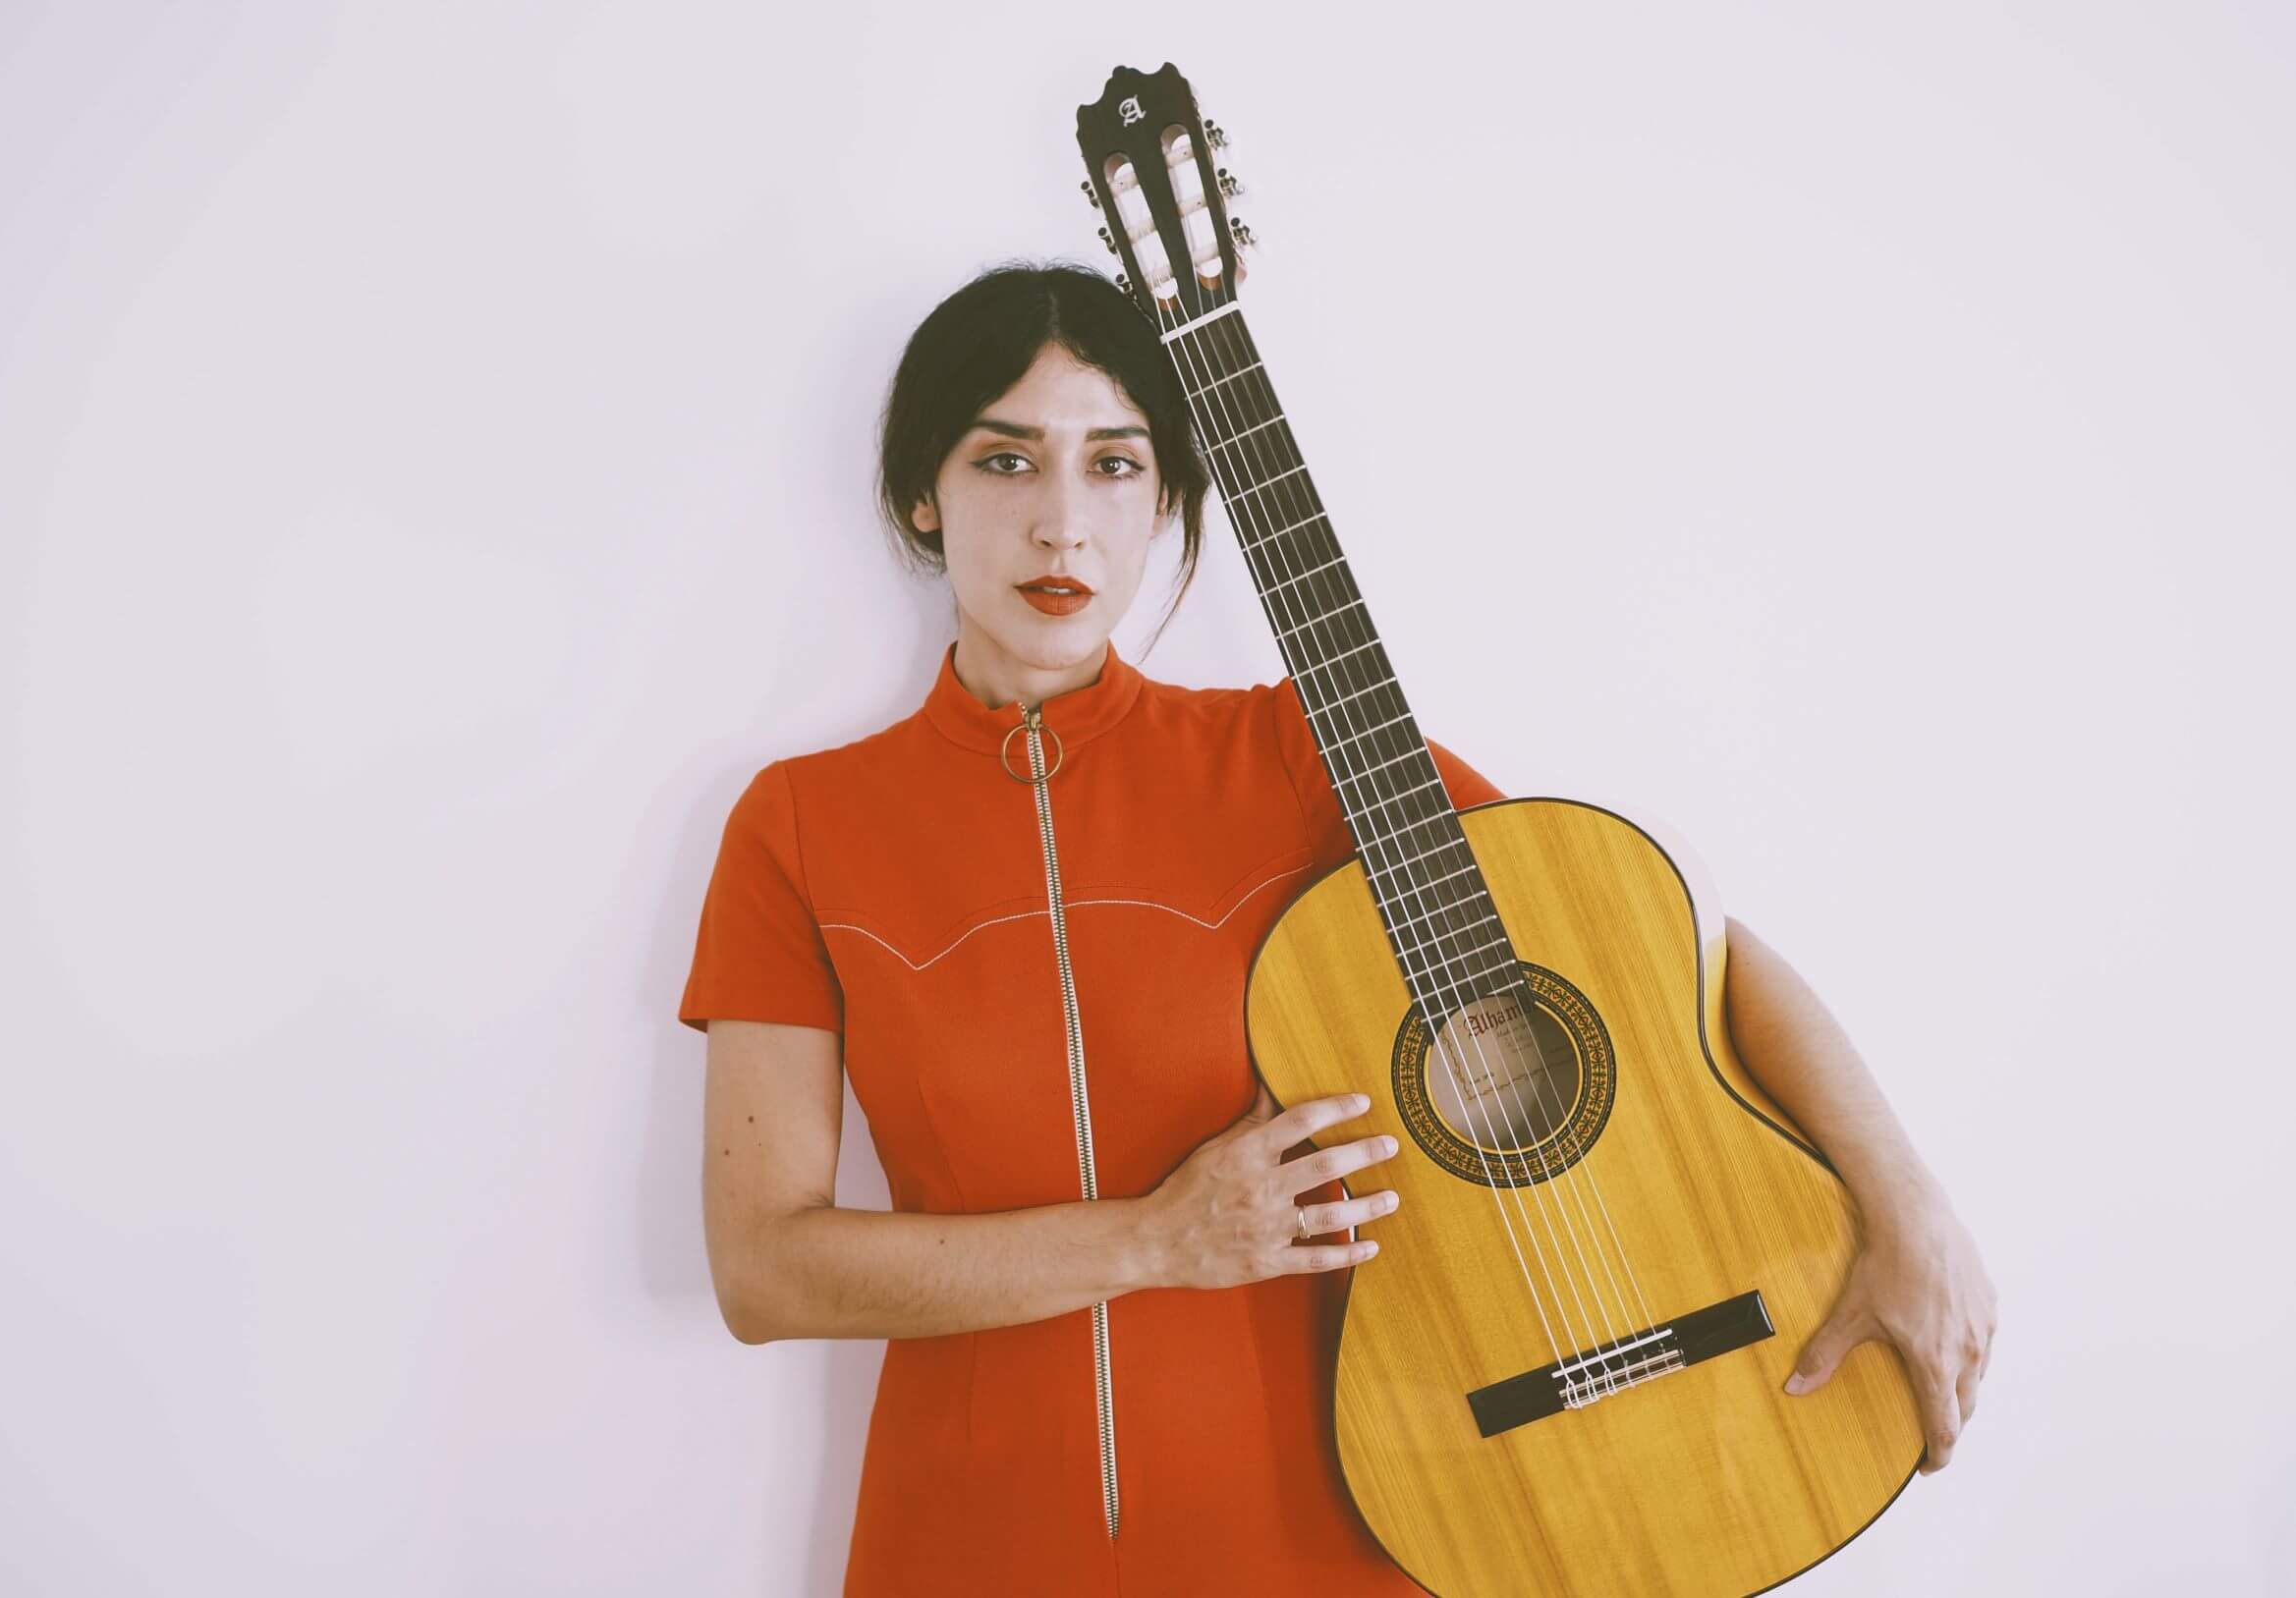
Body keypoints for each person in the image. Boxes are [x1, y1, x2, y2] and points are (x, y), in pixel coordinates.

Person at [676, 261, 1996, 1595]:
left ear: (1166, 500)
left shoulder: (1302, 754)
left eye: (1116, 465)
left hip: (1367, 1530)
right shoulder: (801, 826)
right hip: (973, 1552)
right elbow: (765, 1272)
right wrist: (1159, 1239)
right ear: (923, 491)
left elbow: (1668, 946)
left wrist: (1909, 1209)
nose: (1062, 524)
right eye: (1005, 460)